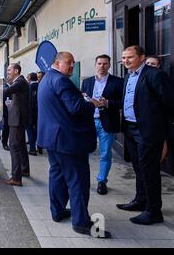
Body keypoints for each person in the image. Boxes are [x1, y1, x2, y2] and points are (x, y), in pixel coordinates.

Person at [37, 51, 110, 238]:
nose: (71, 66)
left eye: (73, 63)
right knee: (78, 180)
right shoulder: (61, 81)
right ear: (57, 63)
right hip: (68, 141)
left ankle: (58, 211)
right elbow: (76, 108)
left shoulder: (47, 78)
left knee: (58, 176)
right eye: (68, 63)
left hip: (53, 139)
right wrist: (92, 103)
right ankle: (81, 223)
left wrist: (79, 98)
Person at [116, 46, 174, 225]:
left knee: (149, 171)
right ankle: (141, 201)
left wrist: (164, 132)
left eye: (130, 57)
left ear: (142, 57)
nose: (125, 61)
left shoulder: (155, 75)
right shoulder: (128, 76)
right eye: (124, 58)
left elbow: (169, 103)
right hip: (131, 129)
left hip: (148, 131)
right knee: (138, 168)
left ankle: (154, 210)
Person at [81, 54, 124, 195]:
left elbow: (123, 102)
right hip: (89, 122)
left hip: (107, 122)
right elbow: (83, 100)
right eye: (99, 63)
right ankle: (83, 180)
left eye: (105, 64)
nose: (102, 66)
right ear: (95, 65)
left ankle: (102, 181)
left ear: (109, 65)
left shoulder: (118, 82)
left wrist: (108, 103)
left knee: (105, 154)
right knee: (84, 152)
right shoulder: (87, 82)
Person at [3, 63, 30, 186]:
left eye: (9, 70)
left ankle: (16, 177)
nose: (8, 72)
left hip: (17, 120)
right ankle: (24, 169)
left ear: (16, 71)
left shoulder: (19, 82)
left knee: (14, 146)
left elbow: (7, 90)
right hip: (19, 118)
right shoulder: (20, 82)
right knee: (21, 146)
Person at [144, 55, 169, 163]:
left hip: (158, 117)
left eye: (153, 64)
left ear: (158, 66)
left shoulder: (160, 76)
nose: (150, 66)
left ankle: (158, 163)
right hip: (145, 118)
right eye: (148, 63)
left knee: (161, 142)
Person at [27, 72, 39, 156]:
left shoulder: (29, 87)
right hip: (39, 111)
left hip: (30, 112)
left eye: (28, 77)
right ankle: (39, 146)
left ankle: (32, 149)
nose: (27, 78)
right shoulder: (40, 86)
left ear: (30, 78)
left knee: (30, 129)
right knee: (36, 129)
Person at [2, 78, 10, 151]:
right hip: (6, 111)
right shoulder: (5, 88)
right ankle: (4, 143)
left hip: (12, 112)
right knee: (6, 128)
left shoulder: (12, 87)